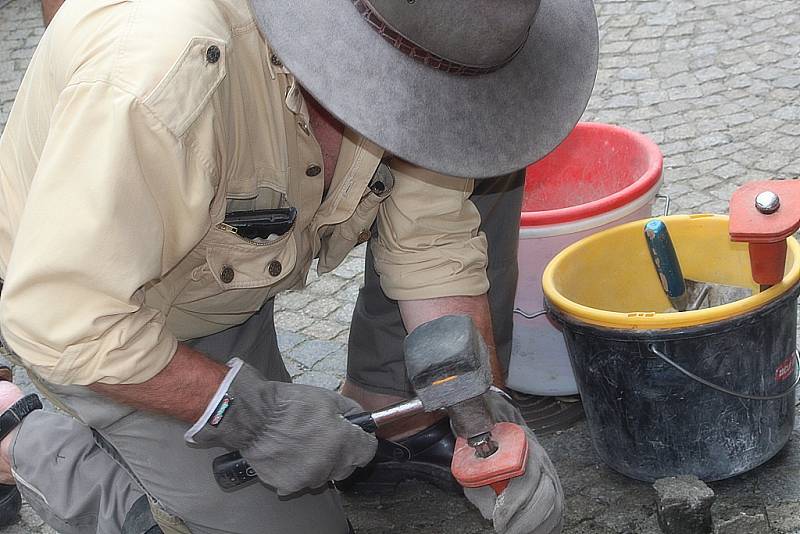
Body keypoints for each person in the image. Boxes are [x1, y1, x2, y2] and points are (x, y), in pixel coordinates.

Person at [0, 0, 598, 532]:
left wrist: (483, 412)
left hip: (219, 284)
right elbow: (64, 320)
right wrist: (252, 416)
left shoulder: (415, 38)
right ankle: (19, 435)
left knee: (490, 174)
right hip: (100, 310)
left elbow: (431, 242)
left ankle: (392, 421)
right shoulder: (158, 82)